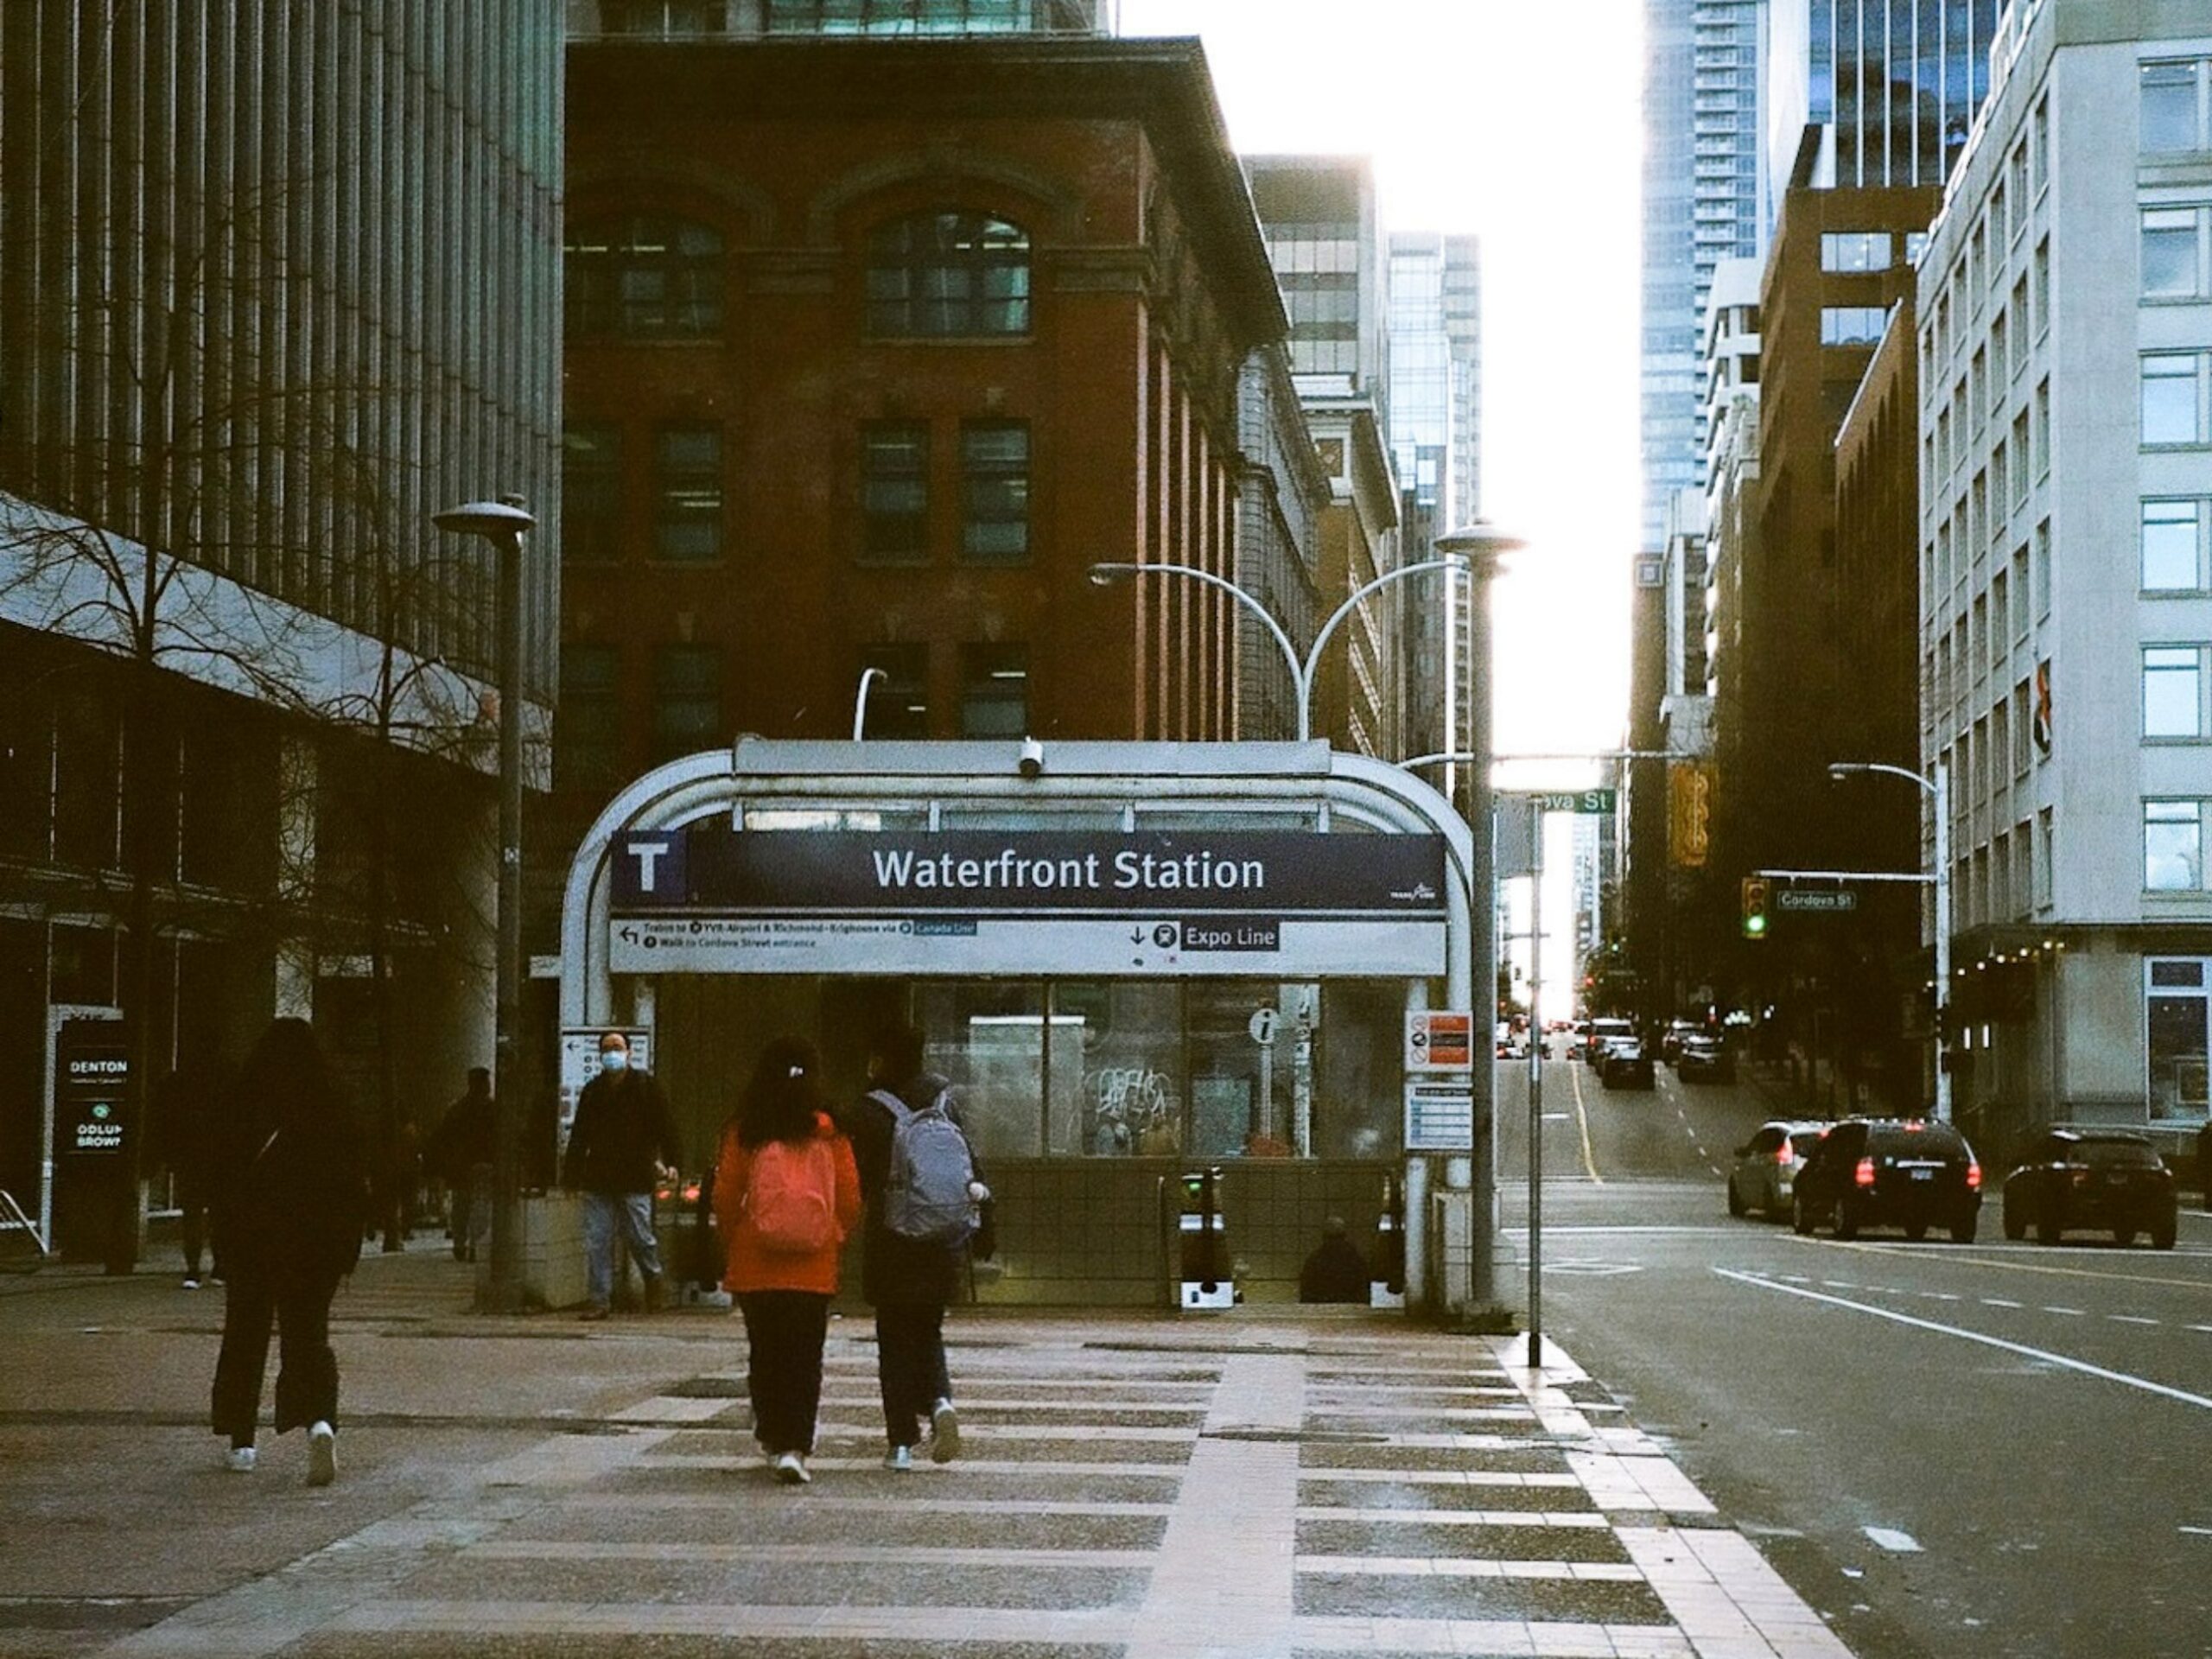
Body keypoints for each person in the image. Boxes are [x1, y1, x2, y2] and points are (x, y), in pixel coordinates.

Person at [207, 1017, 370, 1484]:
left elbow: (221, 1178)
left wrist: (225, 1242)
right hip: (313, 1247)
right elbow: (353, 1185)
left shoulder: (244, 1104)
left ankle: (242, 1441)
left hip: (253, 1243)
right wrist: (346, 1248)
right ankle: (319, 1421)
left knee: (244, 1336)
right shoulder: (331, 1105)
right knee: (308, 1337)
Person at [713, 1037, 861, 1486]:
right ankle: (796, 1445)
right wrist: (833, 1234)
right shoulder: (830, 1131)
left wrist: (736, 1239)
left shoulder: (747, 1129)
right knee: (804, 1358)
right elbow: (851, 1198)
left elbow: (724, 1197)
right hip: (813, 1268)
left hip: (756, 1266)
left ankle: (773, 1437)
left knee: (767, 1354)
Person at [844, 1021, 985, 1472]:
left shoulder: (869, 1110)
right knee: (928, 1329)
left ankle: (901, 1442)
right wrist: (982, 1230)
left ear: (882, 1058)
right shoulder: (945, 1103)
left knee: (894, 1339)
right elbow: (971, 1168)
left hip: (892, 1241)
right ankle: (941, 1400)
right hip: (942, 1240)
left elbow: (855, 1183)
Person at [563, 1031, 682, 1321]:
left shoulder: (645, 1087)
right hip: (599, 1177)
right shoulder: (593, 1091)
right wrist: (571, 1175)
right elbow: (580, 1135)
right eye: (606, 1048)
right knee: (598, 1241)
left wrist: (673, 1162)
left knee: (640, 1236)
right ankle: (599, 1300)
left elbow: (666, 1127)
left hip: (635, 1175)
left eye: (617, 1047)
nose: (611, 1053)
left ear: (629, 1052)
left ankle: (653, 1278)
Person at [155, 1060, 224, 1289]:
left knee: (192, 1216)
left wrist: (167, 1155)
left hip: (189, 1158)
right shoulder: (227, 1077)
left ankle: (193, 1269)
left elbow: (165, 1120)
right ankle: (220, 1267)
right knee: (220, 1215)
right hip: (218, 1158)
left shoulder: (178, 1081)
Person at [429, 1068, 497, 1262]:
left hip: (460, 1166)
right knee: (480, 1206)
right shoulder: (492, 1110)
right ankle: (476, 1245)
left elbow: (443, 1137)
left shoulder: (457, 1109)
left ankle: (460, 1243)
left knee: (461, 1205)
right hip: (484, 1163)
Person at [1298, 1216, 1370, 1304]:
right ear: (1344, 1236)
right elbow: (1363, 1291)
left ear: (1324, 1237)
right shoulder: (1356, 1260)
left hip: (1321, 1310)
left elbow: (1306, 1293)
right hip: (1350, 1309)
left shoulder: (1314, 1260)